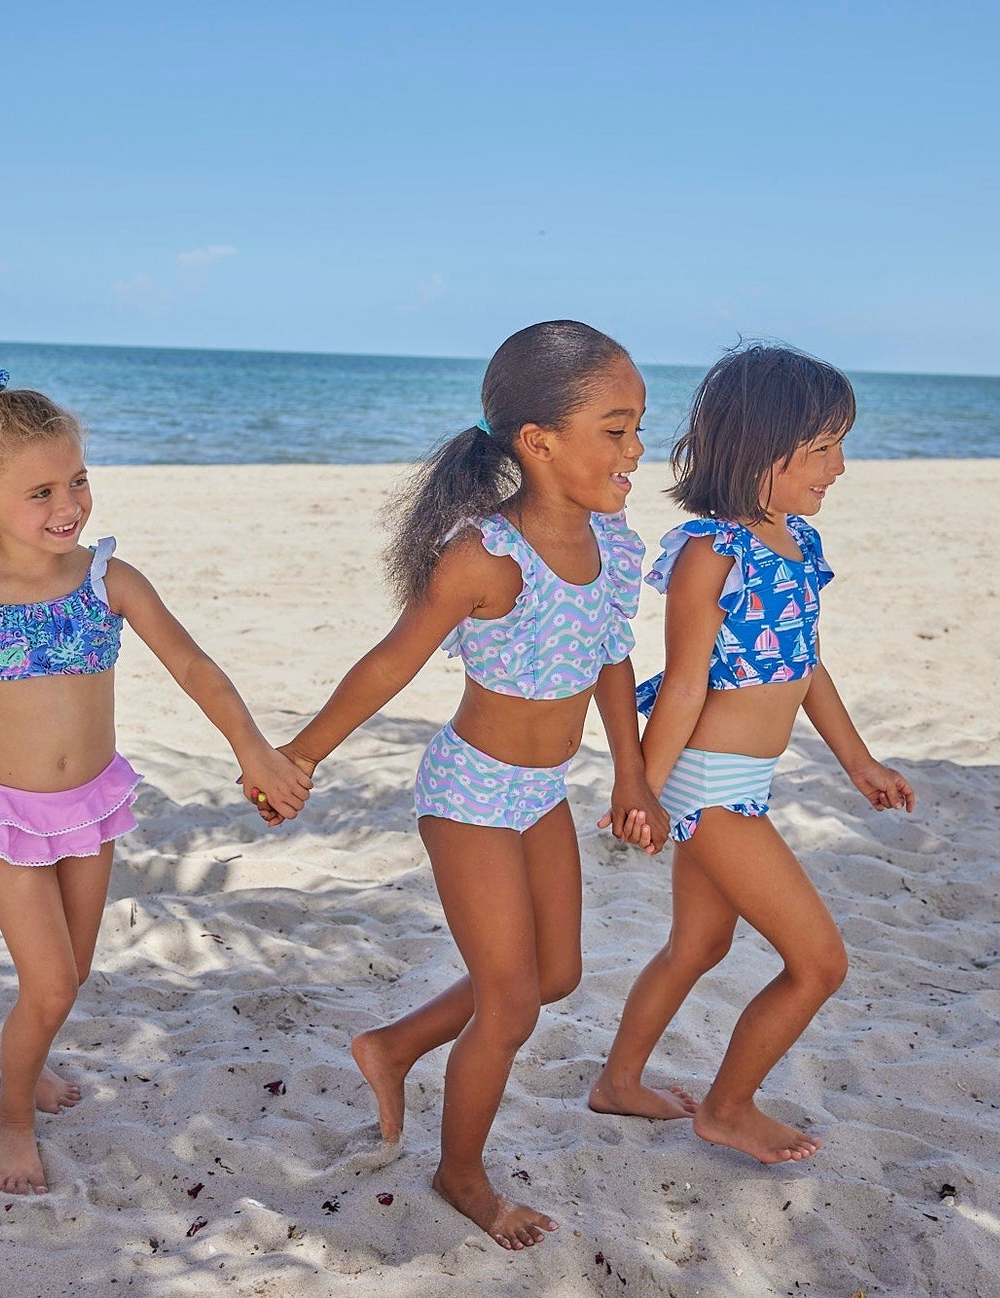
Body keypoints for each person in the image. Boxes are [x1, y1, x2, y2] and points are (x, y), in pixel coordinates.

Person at [254, 321, 666, 1250]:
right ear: (539, 442)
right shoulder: (486, 556)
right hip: (471, 795)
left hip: (544, 791)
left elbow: (612, 657)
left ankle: (393, 1045)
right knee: (510, 1002)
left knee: (554, 975)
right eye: (618, 427)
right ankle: (462, 1174)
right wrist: (300, 756)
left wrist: (632, 776)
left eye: (638, 427)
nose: (636, 449)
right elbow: (390, 663)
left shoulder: (613, 540)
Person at [0, 369, 310, 1196]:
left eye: (76, 480)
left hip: (90, 806)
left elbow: (194, 666)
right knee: (47, 984)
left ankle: (34, 1060)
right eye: (40, 491)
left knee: (69, 977)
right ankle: (13, 1113)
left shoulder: (107, 580)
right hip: (2, 813)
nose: (68, 504)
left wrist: (252, 749)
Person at [588, 343, 915, 1165]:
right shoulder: (712, 554)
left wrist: (859, 762)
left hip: (744, 783)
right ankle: (729, 1107)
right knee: (819, 962)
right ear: (761, 454)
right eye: (823, 449)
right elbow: (688, 687)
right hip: (708, 788)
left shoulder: (796, 542)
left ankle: (618, 1083)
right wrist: (643, 792)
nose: (840, 467)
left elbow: (805, 664)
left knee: (698, 946)